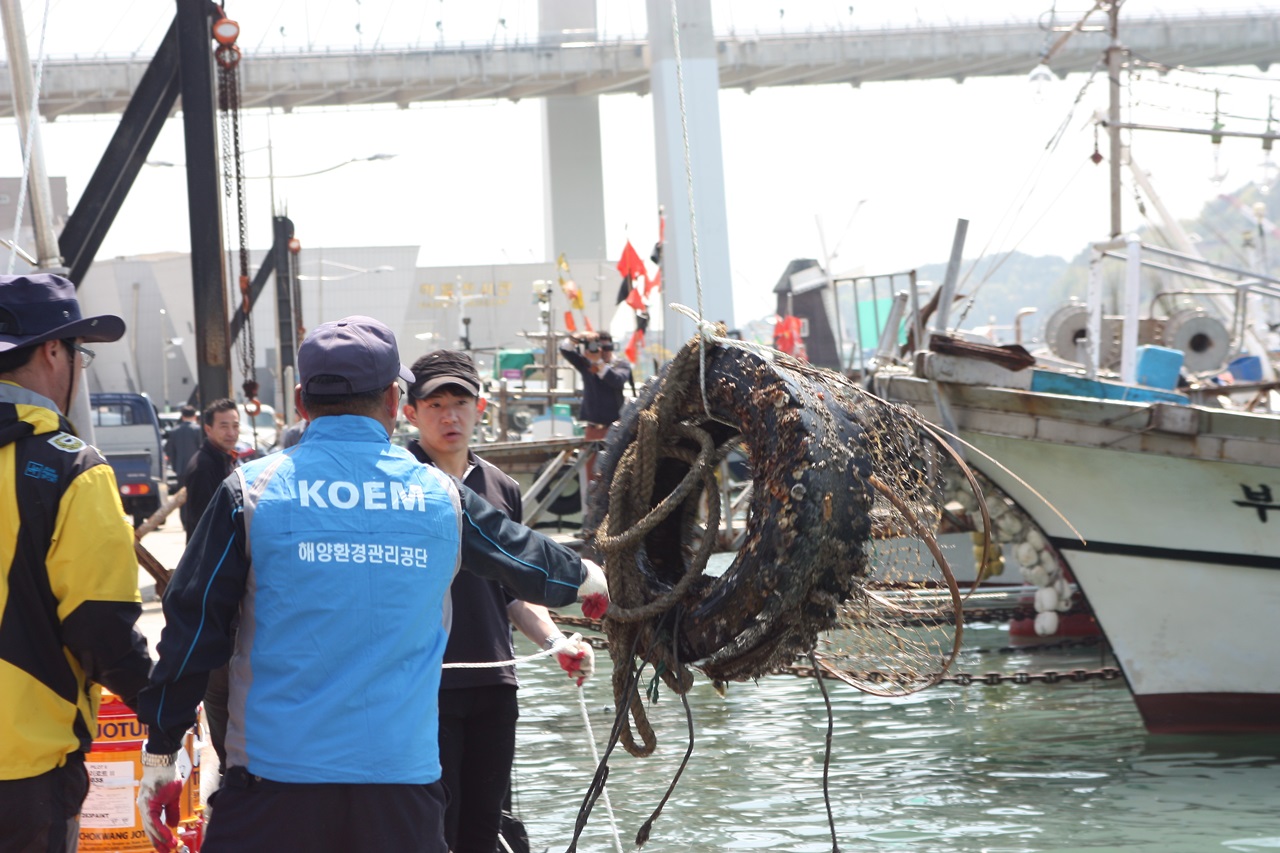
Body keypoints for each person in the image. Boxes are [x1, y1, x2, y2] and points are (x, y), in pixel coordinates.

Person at [134, 316, 607, 853]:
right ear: (391, 398)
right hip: (400, 795)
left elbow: (193, 631)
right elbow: (526, 558)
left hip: (274, 791)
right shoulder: (441, 496)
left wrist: (162, 752)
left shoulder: (249, 491)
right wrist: (591, 579)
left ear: (300, 401)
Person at [402, 349, 595, 853]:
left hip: (495, 683)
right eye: (435, 404)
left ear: (480, 408)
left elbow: (514, 590)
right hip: (423, 686)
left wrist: (557, 643)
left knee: (484, 829)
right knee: (432, 826)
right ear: (410, 412)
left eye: (460, 402)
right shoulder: (397, 481)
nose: (449, 416)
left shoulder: (502, 487)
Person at [0, 272, 153, 852]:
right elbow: (99, 627)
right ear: (53, 351)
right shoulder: (71, 469)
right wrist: (159, 701)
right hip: (23, 770)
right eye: (81, 352)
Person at [559, 330, 632, 482]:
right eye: (598, 347)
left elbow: (617, 380)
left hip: (614, 429)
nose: (602, 351)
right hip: (592, 429)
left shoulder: (621, 364)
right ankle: (593, 504)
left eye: (606, 348)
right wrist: (579, 337)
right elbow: (565, 349)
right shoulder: (587, 364)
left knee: (615, 474)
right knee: (592, 474)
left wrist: (599, 363)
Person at [179, 398, 239, 541]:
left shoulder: (226, 459)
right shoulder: (203, 467)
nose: (231, 433)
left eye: (235, 426)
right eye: (224, 426)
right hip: (211, 557)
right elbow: (204, 522)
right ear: (208, 429)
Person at [163, 404, 201, 489]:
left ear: (183, 417)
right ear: (194, 416)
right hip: (196, 468)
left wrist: (175, 465)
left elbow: (169, 450)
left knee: (182, 494)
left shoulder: (174, 431)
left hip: (180, 469)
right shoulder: (198, 429)